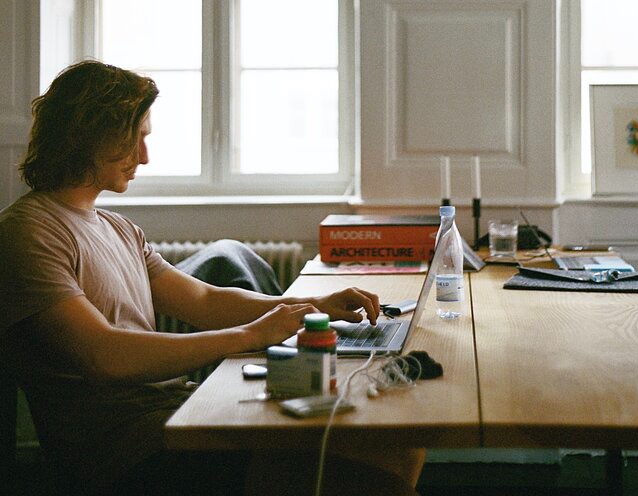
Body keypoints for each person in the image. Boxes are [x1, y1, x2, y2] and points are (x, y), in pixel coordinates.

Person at [0, 60, 424, 495]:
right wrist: (250, 334)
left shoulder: (119, 228)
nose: (144, 157)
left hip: (176, 413)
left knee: (400, 443)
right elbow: (105, 356)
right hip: (128, 453)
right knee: (377, 481)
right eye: (135, 140)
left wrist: (312, 307)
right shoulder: (29, 232)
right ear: (89, 135)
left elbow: (202, 300)